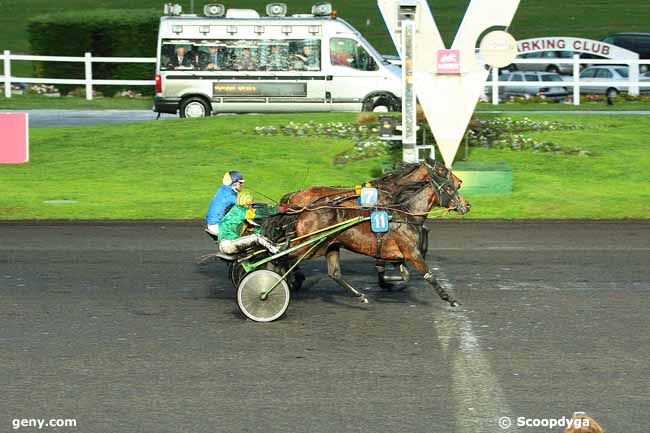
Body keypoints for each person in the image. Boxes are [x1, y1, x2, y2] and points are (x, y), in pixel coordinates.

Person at [218, 192, 287, 256]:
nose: (252, 207)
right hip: (229, 245)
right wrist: (277, 209)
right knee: (257, 237)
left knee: (254, 236)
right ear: (246, 204)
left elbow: (254, 229)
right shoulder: (240, 211)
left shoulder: (237, 214)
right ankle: (278, 250)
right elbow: (261, 212)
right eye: (251, 204)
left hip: (226, 244)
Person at [205, 170, 245, 237]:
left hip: (214, 223)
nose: (242, 185)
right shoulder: (229, 195)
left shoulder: (225, 189)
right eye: (240, 183)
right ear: (234, 183)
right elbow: (244, 204)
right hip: (217, 226)